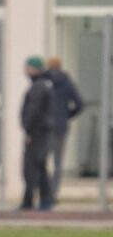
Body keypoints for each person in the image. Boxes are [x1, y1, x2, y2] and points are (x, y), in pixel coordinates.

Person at [44, 57, 84, 200]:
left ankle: (45, 191)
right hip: (61, 126)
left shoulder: (44, 82)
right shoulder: (67, 82)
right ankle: (53, 193)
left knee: (41, 159)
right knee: (57, 162)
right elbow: (79, 104)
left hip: (46, 126)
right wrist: (67, 115)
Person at [20, 56, 56, 210]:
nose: (26, 70)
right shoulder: (44, 85)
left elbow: (33, 111)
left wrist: (28, 131)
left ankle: (35, 202)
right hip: (41, 133)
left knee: (32, 168)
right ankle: (41, 201)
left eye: (28, 67)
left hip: (37, 134)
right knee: (39, 167)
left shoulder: (38, 87)